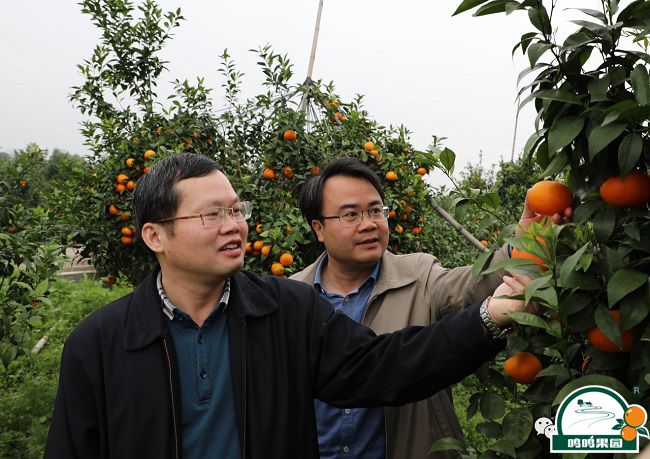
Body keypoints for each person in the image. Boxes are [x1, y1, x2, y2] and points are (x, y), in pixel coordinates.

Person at [45, 153, 535, 459]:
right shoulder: (100, 343)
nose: (234, 225)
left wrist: (487, 318)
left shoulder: (287, 310)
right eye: (212, 214)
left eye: (237, 210)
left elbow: (383, 367)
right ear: (154, 235)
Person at [291, 157, 571, 459]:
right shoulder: (293, 297)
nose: (369, 224)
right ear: (319, 228)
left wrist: (524, 244)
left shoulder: (419, 276)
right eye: (351, 215)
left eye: (375, 210)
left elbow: (475, 284)